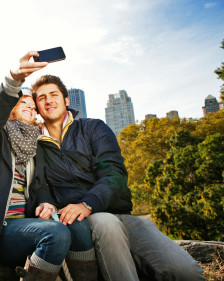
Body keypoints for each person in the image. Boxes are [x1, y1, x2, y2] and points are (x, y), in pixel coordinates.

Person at [20, 73, 205, 281]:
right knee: (105, 223)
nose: (48, 100)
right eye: (42, 97)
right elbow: (39, 184)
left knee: (187, 272)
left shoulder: (94, 128)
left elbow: (114, 173)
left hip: (118, 213)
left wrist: (87, 203)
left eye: (53, 94)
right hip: (80, 222)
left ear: (66, 100)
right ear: (37, 106)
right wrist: (46, 203)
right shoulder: (34, 144)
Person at [0, 51, 96, 281]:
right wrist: (15, 78)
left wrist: (46, 202)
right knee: (56, 233)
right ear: (12, 108)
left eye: (33, 106)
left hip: (27, 222)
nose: (31, 107)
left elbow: (41, 185)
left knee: (77, 225)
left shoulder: (36, 144)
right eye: (23, 103)